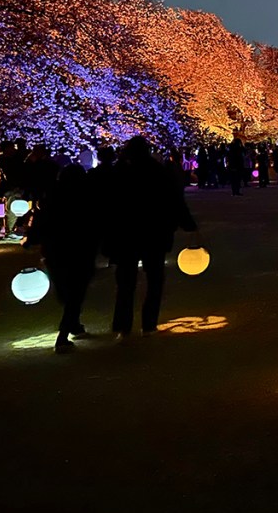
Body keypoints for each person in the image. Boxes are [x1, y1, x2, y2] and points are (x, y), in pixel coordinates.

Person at [104, 136, 198, 339]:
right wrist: (188, 224)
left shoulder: (121, 173)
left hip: (127, 235)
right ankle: (149, 324)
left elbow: (110, 206)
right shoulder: (158, 172)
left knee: (126, 282)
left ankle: (123, 325)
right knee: (154, 280)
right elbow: (174, 200)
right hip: (155, 233)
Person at [28, 165, 99, 353]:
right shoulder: (86, 197)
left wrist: (31, 239)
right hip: (80, 249)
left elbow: (40, 220)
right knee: (76, 292)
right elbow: (96, 222)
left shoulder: (51, 197)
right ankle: (64, 333)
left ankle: (72, 325)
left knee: (67, 291)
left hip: (55, 250)